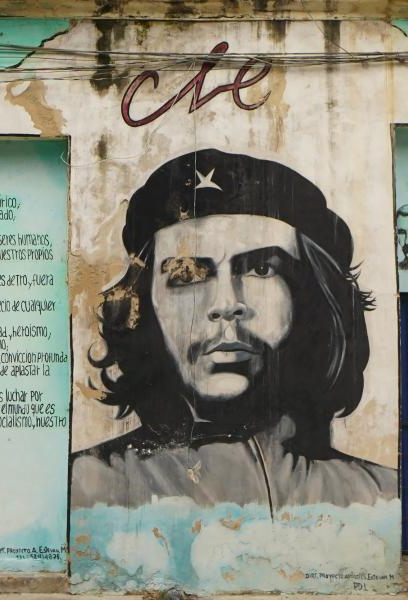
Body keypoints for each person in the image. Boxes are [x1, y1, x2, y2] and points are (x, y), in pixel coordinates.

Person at [70, 148, 397, 512]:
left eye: (261, 269)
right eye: (187, 274)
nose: (226, 304)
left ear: (314, 296)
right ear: (143, 305)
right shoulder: (83, 491)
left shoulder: (382, 498)